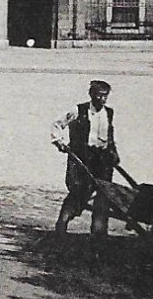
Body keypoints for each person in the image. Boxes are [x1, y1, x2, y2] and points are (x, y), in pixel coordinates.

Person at [50, 80, 118, 236]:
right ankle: (62, 223)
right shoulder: (77, 110)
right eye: (99, 96)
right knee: (79, 193)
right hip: (82, 158)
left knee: (104, 196)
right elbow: (57, 124)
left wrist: (114, 153)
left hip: (103, 160)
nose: (102, 99)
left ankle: (99, 233)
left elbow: (109, 136)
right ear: (91, 94)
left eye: (105, 96)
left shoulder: (109, 112)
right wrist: (59, 142)